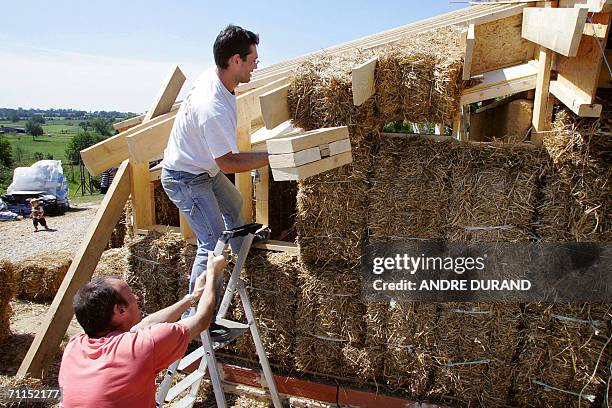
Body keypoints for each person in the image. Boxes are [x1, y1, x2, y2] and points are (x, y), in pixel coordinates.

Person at [160, 25, 269, 321]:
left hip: (201, 168)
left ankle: (241, 253)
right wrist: (269, 157)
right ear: (235, 60)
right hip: (185, 178)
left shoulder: (216, 77)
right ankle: (196, 318)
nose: (256, 66)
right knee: (211, 245)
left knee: (233, 204)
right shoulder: (213, 107)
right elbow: (228, 163)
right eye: (253, 60)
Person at [58, 251, 229, 407]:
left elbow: (141, 328)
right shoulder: (142, 347)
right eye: (131, 295)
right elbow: (201, 320)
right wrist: (213, 274)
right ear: (120, 310)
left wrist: (192, 297)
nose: (137, 298)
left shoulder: (74, 345)